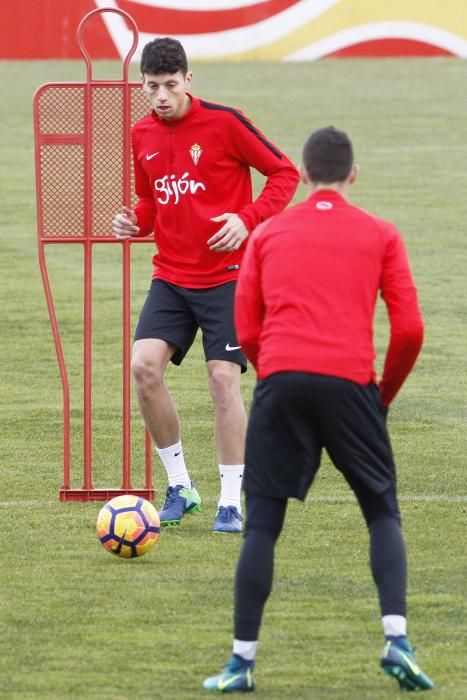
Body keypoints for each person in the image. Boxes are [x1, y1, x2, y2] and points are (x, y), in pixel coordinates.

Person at [203, 127, 434, 691]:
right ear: (353, 175)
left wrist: (274, 371)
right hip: (350, 383)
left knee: (261, 527)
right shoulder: (381, 233)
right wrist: (379, 399)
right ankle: (398, 640)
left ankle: (241, 663)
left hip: (281, 381)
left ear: (302, 175)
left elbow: (248, 325)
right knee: (382, 512)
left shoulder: (268, 234)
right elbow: (408, 330)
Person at [112, 38, 299, 533]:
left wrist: (248, 218)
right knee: (142, 369)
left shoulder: (225, 122)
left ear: (188, 80)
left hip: (228, 278)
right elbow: (152, 201)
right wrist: (135, 220)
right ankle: (180, 486)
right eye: (152, 87)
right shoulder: (141, 133)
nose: (161, 96)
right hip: (171, 277)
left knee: (222, 380)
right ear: (143, 85)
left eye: (170, 86)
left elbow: (284, 172)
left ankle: (231, 501)